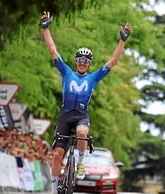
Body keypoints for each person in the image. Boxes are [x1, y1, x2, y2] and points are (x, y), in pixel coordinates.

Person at [40, 11, 133, 194]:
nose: (82, 62)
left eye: (86, 60)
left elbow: (113, 62)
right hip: (66, 116)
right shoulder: (66, 72)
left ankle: (80, 163)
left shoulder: (93, 78)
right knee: (58, 155)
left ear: (89, 64)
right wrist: (45, 29)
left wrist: (122, 41)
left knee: (82, 132)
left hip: (81, 116)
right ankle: (53, 190)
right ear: (76, 61)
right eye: (80, 59)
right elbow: (53, 51)